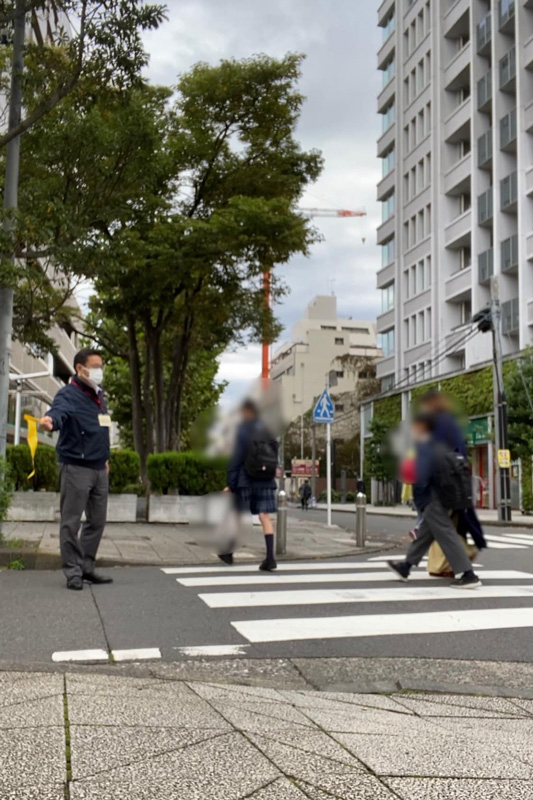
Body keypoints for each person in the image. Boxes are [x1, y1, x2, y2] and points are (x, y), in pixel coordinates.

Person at [40, 349, 113, 591]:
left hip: (99, 468)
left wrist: (105, 458)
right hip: (76, 467)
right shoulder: (69, 394)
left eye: (101, 365)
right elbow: (58, 411)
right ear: (80, 368)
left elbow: (101, 429)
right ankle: (73, 571)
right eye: (95, 366)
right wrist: (51, 421)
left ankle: (86, 566)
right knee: (71, 522)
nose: (99, 370)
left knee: (97, 521)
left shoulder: (99, 396)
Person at [387, 412, 482, 589]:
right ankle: (405, 567)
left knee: (446, 534)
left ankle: (468, 575)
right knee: (425, 533)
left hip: (433, 497)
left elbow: (423, 475)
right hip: (442, 496)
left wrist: (421, 496)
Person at [420, 389, 487, 553]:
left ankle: (465, 569)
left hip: (449, 485)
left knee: (446, 527)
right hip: (452, 484)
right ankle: (407, 565)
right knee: (445, 525)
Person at [223, 399, 278, 571]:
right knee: (264, 516)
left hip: (246, 479)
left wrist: (231, 484)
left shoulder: (243, 430)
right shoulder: (269, 430)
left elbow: (236, 459)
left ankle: (228, 552)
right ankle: (270, 557)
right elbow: (274, 457)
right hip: (266, 480)